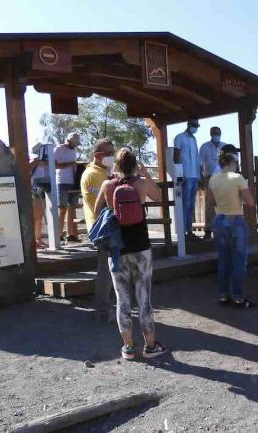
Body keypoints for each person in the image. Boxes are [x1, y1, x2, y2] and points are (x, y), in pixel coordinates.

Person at [94, 148, 168, 360]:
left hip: (117, 250)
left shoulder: (108, 185)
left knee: (122, 299)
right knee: (144, 298)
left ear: (116, 166)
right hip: (141, 247)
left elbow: (98, 208)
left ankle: (128, 348)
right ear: (135, 164)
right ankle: (151, 346)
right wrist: (145, 173)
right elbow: (159, 197)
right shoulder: (141, 184)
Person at [208, 151, 256, 308]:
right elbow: (250, 202)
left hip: (220, 219)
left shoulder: (213, 179)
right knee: (239, 261)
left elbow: (211, 201)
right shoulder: (237, 178)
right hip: (235, 219)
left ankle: (223, 294)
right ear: (231, 163)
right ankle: (238, 296)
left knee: (223, 259)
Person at [81, 138, 116, 322]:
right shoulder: (93, 175)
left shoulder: (103, 172)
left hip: (109, 226)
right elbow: (103, 204)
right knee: (104, 271)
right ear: (97, 155)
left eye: (113, 152)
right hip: (102, 228)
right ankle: (103, 310)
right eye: (109, 153)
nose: (112, 156)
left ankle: (110, 307)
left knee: (111, 269)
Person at [173, 117, 201, 242]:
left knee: (191, 205)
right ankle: (182, 232)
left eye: (196, 125)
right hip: (186, 175)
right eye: (193, 124)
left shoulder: (194, 139)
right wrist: (180, 173)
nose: (195, 127)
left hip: (194, 176)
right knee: (184, 204)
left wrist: (200, 176)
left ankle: (189, 231)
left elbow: (197, 159)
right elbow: (176, 156)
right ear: (188, 124)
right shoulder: (180, 137)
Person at [199, 126, 226, 240]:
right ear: (210, 134)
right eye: (214, 133)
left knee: (222, 203)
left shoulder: (224, 146)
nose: (216, 135)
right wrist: (200, 178)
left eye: (218, 133)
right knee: (209, 204)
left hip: (223, 177)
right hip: (208, 177)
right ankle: (208, 230)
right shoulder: (204, 147)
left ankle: (221, 230)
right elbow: (200, 164)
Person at [54, 132, 81, 243]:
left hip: (73, 181)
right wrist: (70, 164)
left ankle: (71, 234)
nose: (74, 145)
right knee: (62, 208)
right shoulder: (58, 149)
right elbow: (54, 165)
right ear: (68, 141)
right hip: (61, 182)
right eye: (73, 143)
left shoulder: (74, 151)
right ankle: (59, 234)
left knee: (71, 208)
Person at [30, 143, 51, 250]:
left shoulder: (47, 161)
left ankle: (38, 238)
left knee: (40, 216)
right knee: (36, 216)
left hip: (43, 189)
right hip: (34, 189)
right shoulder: (33, 162)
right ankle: (34, 239)